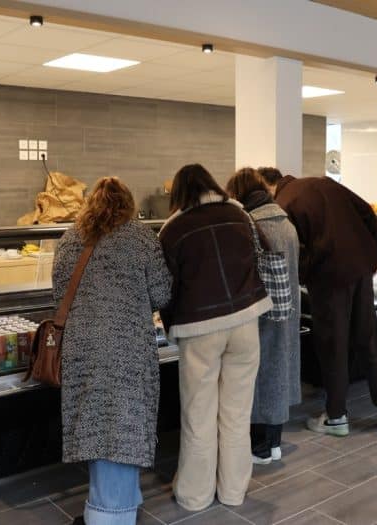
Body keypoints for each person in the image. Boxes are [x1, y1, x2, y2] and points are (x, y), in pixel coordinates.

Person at [52, 177, 172, 525]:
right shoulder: (140, 239)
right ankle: (110, 514)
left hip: (82, 348)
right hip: (129, 348)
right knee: (123, 428)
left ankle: (114, 505)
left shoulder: (70, 239)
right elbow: (162, 292)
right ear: (128, 205)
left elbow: (60, 294)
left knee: (96, 428)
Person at [159, 164, 272, 511]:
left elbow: (166, 287)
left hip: (199, 328)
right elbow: (260, 256)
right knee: (237, 412)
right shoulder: (240, 215)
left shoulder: (172, 228)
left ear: (179, 192)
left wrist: (169, 323)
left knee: (199, 414)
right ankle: (234, 491)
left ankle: (195, 496)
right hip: (245, 320)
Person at [259, 167, 377, 436]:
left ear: (268, 185)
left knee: (334, 344)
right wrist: (375, 255)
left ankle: (337, 417)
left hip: (328, 275)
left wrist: (305, 274)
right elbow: (367, 211)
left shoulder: (284, 203)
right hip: (360, 268)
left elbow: (294, 248)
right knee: (368, 336)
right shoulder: (324, 183)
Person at [225, 168, 301, 465]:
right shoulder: (286, 223)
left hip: (259, 312)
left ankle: (259, 447)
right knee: (279, 369)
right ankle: (273, 442)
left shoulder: (250, 224)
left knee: (258, 375)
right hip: (286, 309)